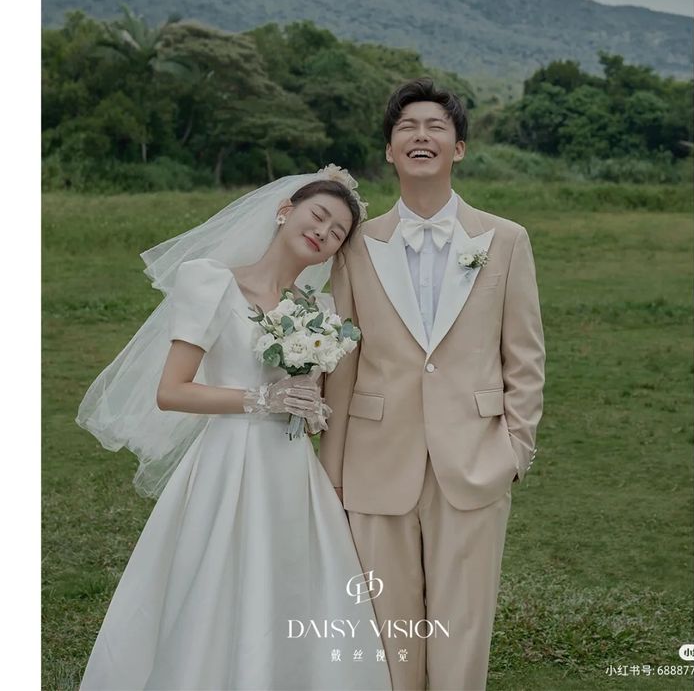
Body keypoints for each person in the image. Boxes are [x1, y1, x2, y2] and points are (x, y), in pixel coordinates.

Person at [76, 168, 392, 691]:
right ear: (286, 209)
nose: (324, 233)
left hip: (290, 469)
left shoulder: (319, 313)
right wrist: (261, 398)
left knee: (292, 581)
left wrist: (309, 409)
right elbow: (171, 390)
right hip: (227, 460)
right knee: (214, 583)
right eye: (319, 216)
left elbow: (307, 394)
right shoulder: (213, 282)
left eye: (337, 234)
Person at [319, 79, 546, 691]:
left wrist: (514, 452)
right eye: (407, 128)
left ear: (459, 148)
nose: (421, 136)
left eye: (435, 126)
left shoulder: (505, 239)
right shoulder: (356, 245)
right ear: (390, 151)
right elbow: (340, 363)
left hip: (474, 461)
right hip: (374, 463)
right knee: (384, 626)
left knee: (463, 623)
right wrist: (333, 470)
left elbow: (524, 358)